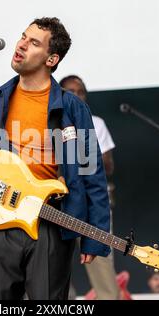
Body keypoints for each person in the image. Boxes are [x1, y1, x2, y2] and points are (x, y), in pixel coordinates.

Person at [0, 17, 111, 300]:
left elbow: (92, 172)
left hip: (50, 221)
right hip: (1, 218)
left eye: (34, 42)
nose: (21, 44)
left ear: (51, 58)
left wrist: (95, 237)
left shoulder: (72, 107)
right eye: (23, 37)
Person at [60, 75, 120, 300]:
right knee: (52, 267)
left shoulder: (96, 122)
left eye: (80, 91)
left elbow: (108, 165)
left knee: (102, 267)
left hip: (92, 205)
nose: (76, 95)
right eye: (70, 91)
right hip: (59, 204)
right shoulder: (52, 122)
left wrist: (81, 145)